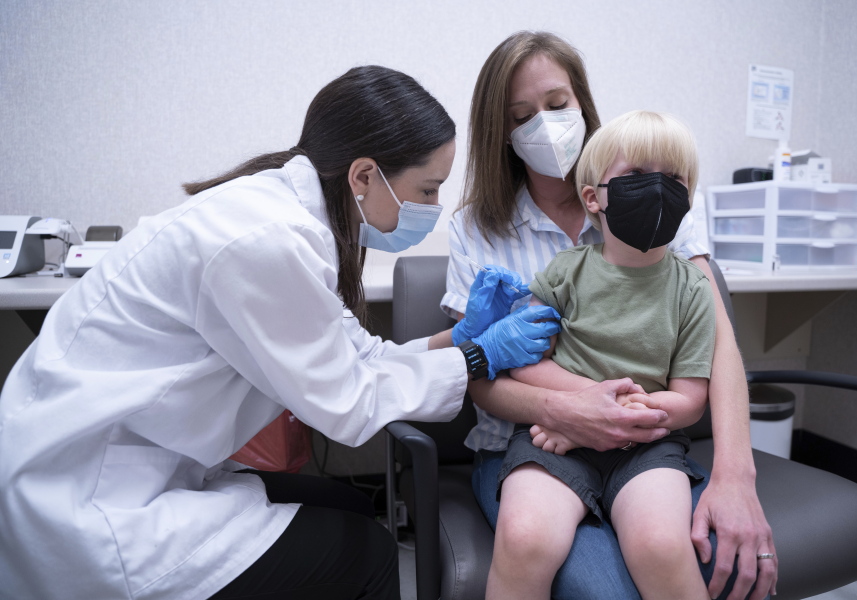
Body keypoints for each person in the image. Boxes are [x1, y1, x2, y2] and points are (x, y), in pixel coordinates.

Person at [0, 65, 560, 600]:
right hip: (91, 505)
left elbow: (360, 355)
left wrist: (463, 338)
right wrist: (479, 358)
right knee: (368, 555)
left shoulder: (289, 220)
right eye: (428, 190)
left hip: (128, 463)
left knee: (350, 505)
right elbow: (348, 403)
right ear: (364, 176)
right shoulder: (267, 240)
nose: (434, 208)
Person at [442, 31, 777, 599]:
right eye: (522, 116)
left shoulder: (658, 202)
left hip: (645, 443)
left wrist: (735, 474)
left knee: (683, 559)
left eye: (557, 105)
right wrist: (575, 409)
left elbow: (715, 344)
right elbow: (482, 366)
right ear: (499, 131)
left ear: (582, 102)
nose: (544, 125)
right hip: (536, 442)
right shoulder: (478, 230)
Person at [489, 110, 716, 600]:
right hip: (553, 435)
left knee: (661, 545)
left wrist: (622, 414)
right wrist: (587, 406)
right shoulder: (562, 273)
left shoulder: (694, 288)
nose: (657, 187)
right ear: (593, 197)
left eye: (674, 178)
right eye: (636, 175)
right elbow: (526, 362)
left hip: (649, 446)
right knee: (525, 538)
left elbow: (690, 401)